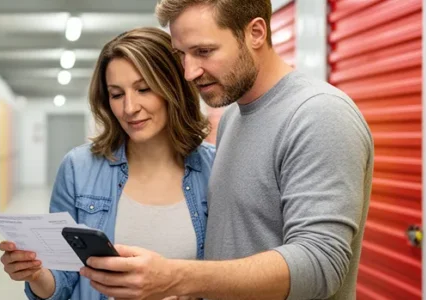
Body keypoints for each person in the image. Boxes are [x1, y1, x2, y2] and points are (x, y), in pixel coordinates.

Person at [78, 1, 374, 300]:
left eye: (204, 51)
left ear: (256, 33)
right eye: (182, 55)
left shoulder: (318, 114)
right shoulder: (234, 116)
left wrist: (178, 278)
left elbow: (320, 264)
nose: (190, 72)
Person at [0, 27, 215, 300]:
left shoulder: (215, 169)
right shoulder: (79, 168)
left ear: (174, 87)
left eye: (143, 89)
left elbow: (228, 275)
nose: (129, 108)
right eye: (116, 94)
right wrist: (35, 274)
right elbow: (63, 280)